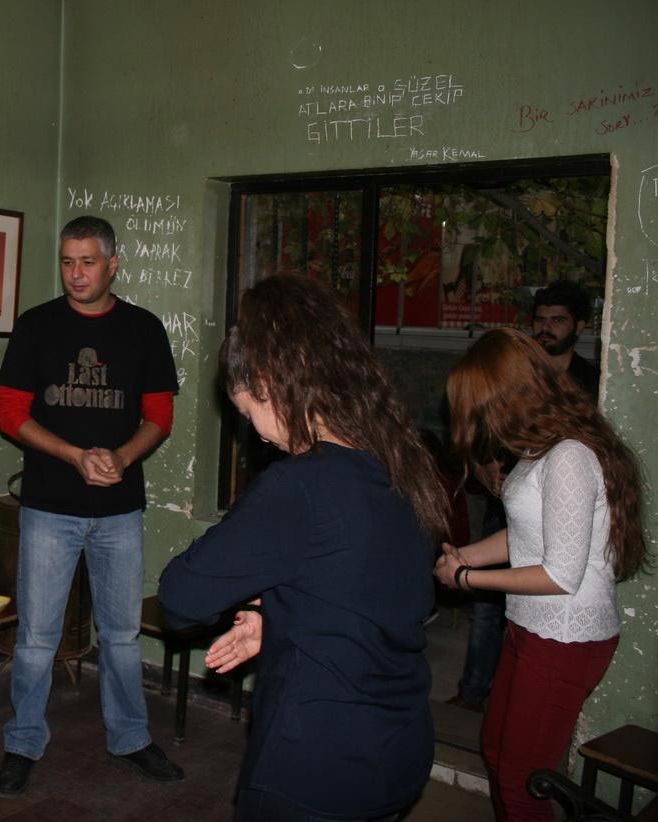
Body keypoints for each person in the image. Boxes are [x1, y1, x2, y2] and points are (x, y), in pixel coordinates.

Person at [159, 274, 448, 822]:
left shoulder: (298, 486)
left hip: (318, 760)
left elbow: (181, 597)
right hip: (398, 742)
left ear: (270, 383)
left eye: (249, 414)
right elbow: (364, 588)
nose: (259, 435)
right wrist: (279, 614)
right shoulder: (399, 463)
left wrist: (258, 588)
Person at [0, 215, 182, 797]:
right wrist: (74, 455)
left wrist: (121, 457)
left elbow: (160, 416)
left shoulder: (144, 329)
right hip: (49, 507)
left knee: (121, 635)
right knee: (36, 637)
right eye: (68, 262)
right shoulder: (36, 326)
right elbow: (11, 415)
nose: (76, 273)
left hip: (119, 510)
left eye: (88, 262)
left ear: (112, 264)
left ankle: (131, 738)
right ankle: (23, 742)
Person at [437, 327, 646, 822]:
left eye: (477, 405)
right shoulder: (541, 450)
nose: (475, 418)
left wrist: (467, 580)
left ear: (506, 396)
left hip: (566, 638)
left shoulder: (569, 456)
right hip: (531, 627)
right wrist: (464, 556)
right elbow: (527, 536)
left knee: (523, 779)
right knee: (496, 749)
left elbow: (560, 574)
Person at [532, 278, 600, 399]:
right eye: (540, 320)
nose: (545, 328)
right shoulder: (517, 372)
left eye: (557, 320)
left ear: (579, 327)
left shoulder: (592, 382)